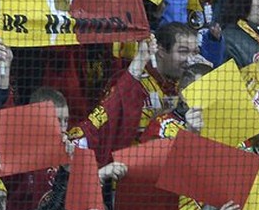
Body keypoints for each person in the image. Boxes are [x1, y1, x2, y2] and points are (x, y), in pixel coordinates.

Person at [82, 22, 200, 165]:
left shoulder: (191, 84)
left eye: (195, 52)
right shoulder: (131, 84)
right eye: (183, 51)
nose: (190, 60)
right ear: (161, 51)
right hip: (132, 169)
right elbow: (110, 127)